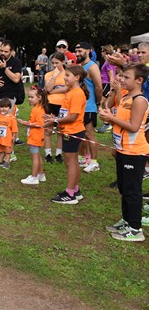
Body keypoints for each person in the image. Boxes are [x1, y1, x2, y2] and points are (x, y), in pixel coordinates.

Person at [100, 63, 149, 242]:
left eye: (127, 77)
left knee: (132, 191)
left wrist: (112, 118)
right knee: (124, 188)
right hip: (122, 149)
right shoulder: (126, 97)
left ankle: (135, 229)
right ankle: (127, 221)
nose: (122, 80)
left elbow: (134, 127)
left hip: (134, 152)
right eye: (122, 76)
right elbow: (120, 119)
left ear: (139, 80)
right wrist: (109, 117)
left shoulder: (140, 100)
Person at [43, 65, 88, 204]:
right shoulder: (71, 91)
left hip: (73, 130)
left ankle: (70, 194)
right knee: (71, 162)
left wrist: (55, 120)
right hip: (69, 130)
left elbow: (73, 117)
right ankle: (75, 190)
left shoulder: (77, 93)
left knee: (71, 162)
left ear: (77, 77)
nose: (65, 78)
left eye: (67, 75)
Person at [74, 42, 102, 173]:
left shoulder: (92, 67)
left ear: (89, 51)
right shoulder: (79, 66)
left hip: (89, 106)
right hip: (80, 106)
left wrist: (98, 102)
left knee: (89, 134)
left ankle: (95, 162)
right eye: (76, 51)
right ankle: (83, 158)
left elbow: (98, 87)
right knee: (82, 133)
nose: (78, 53)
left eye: (80, 51)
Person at [18, 86, 47, 185]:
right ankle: (41, 174)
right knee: (38, 156)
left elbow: (39, 124)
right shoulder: (36, 108)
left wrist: (25, 123)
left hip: (36, 136)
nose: (29, 99)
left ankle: (34, 177)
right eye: (29, 97)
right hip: (34, 135)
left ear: (39, 97)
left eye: (32, 97)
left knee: (35, 157)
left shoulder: (38, 110)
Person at [43, 52, 67, 163]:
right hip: (50, 104)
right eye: (52, 63)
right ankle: (48, 154)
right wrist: (54, 76)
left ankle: (58, 154)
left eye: (57, 63)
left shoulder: (67, 74)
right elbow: (48, 89)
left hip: (63, 104)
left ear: (63, 62)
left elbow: (67, 88)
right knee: (48, 129)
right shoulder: (48, 75)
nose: (54, 65)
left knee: (60, 130)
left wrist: (53, 90)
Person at [0, 98, 18, 169]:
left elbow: (14, 129)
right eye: (2, 107)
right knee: (1, 149)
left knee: (7, 150)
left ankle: (7, 162)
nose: (4, 109)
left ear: (9, 108)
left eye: (6, 107)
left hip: (7, 138)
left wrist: (14, 136)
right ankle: (0, 160)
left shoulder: (12, 118)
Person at [96, 45, 118, 133]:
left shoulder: (108, 62)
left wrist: (112, 89)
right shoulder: (108, 61)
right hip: (106, 84)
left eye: (102, 51)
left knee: (99, 103)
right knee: (106, 104)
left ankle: (107, 123)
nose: (101, 53)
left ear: (105, 52)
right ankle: (111, 122)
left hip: (107, 84)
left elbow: (111, 77)